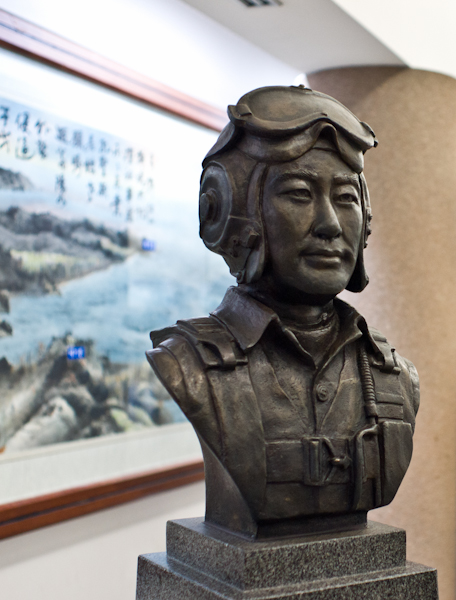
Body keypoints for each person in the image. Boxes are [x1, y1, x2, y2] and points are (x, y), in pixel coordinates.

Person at [146, 86, 419, 538]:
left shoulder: (393, 377)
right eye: (298, 194)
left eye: (347, 199)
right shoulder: (189, 365)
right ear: (233, 211)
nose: (330, 224)